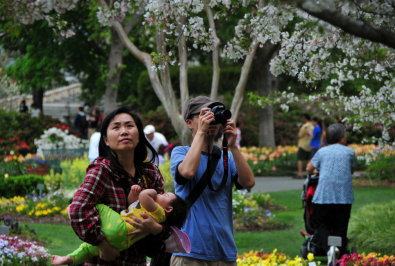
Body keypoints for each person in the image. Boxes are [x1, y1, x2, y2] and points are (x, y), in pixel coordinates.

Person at [68, 106, 170, 265]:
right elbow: (78, 209)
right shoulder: (102, 171)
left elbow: (168, 220)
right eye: (116, 127)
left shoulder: (150, 173)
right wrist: (102, 244)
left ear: (139, 134)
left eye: (130, 126)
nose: (124, 131)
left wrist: (155, 228)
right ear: (106, 140)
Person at [170, 96, 255, 265]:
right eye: (205, 114)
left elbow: (248, 183)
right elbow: (187, 172)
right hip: (189, 253)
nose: (212, 120)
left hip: (224, 252)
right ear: (189, 122)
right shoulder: (180, 153)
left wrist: (233, 146)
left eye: (215, 115)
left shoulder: (228, 157)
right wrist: (201, 132)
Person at [52, 185, 188, 265]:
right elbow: (133, 204)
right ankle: (67, 259)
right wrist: (133, 193)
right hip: (122, 243)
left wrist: (150, 192)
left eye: (165, 195)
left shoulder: (159, 213)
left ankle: (76, 211)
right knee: (88, 248)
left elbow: (144, 197)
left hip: (120, 227)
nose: (160, 193)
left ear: (168, 209)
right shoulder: (153, 211)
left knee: (98, 206)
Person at [306, 123, 355, 256]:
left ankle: (329, 248)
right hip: (344, 198)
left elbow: (309, 168)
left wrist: (317, 170)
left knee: (321, 224)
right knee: (340, 226)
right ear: (342, 138)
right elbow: (351, 170)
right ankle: (337, 250)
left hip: (324, 197)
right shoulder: (350, 152)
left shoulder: (322, 151)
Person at [296, 114, 314, 179]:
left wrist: (299, 129)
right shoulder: (312, 126)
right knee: (308, 159)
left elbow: (300, 135)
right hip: (309, 144)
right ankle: (308, 173)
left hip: (302, 144)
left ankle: (300, 173)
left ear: (305, 118)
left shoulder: (304, 126)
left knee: (299, 159)